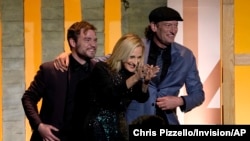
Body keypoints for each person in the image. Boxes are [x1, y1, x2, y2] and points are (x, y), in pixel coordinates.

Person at [54, 6, 205, 125]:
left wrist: (180, 101)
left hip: (167, 121)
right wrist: (71, 54)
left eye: (175, 25)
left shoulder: (186, 56)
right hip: (134, 121)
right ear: (153, 26)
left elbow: (198, 94)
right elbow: (107, 59)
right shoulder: (136, 45)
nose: (173, 30)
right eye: (168, 25)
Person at [73, 33, 159, 141]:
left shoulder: (130, 74)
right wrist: (136, 77)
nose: (135, 62)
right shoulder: (102, 69)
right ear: (121, 53)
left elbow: (141, 97)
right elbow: (112, 93)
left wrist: (146, 81)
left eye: (139, 57)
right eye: (131, 57)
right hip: (98, 126)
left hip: (119, 126)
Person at [21, 20, 98, 141]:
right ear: (73, 42)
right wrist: (39, 126)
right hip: (52, 137)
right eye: (87, 40)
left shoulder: (99, 71)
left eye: (95, 40)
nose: (93, 44)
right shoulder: (50, 70)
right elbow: (28, 98)